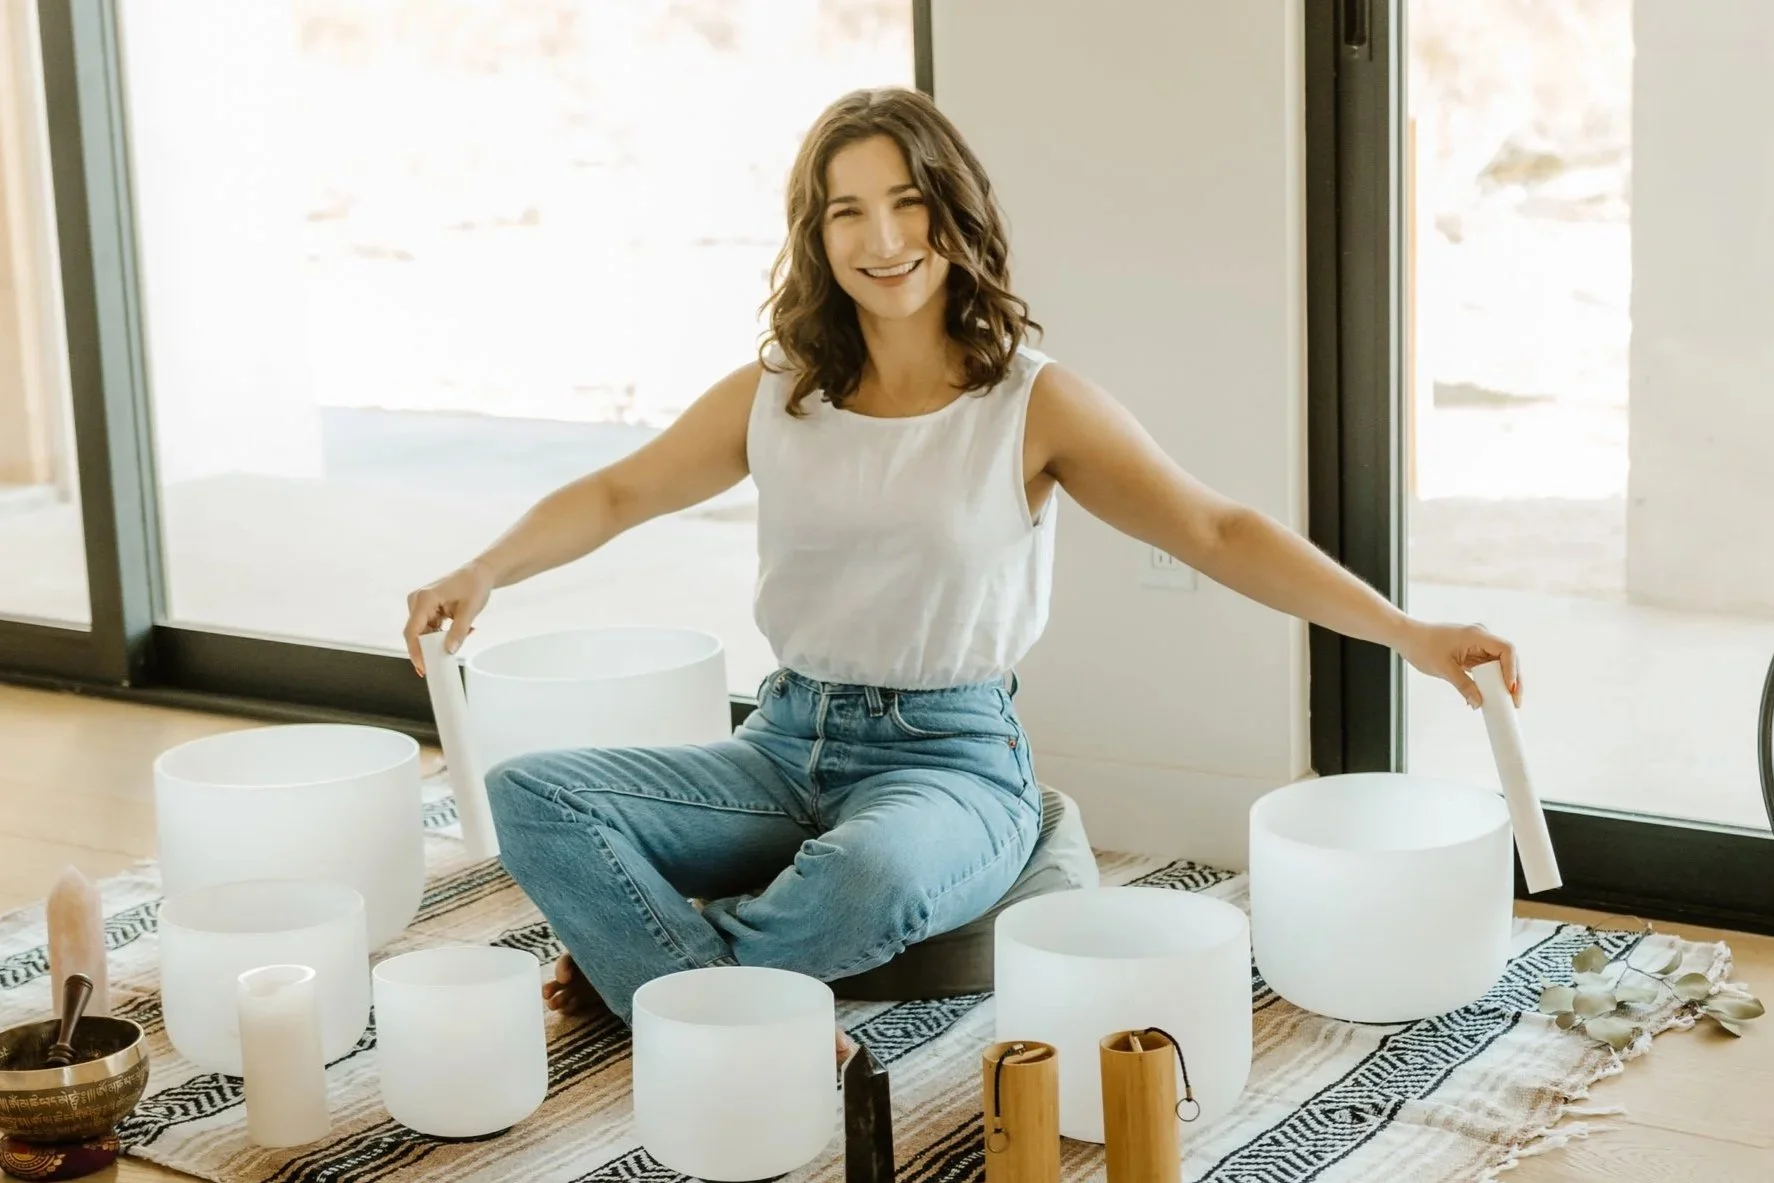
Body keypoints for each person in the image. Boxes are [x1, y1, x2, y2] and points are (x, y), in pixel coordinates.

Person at [402, 87, 1521, 1042]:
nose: (882, 237)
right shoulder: (778, 393)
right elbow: (617, 492)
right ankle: (706, 993)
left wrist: (1410, 635)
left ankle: (670, 988)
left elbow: (1216, 529)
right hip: (784, 742)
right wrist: (484, 568)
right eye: (847, 211)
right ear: (815, 235)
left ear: (953, 210)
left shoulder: (1031, 402)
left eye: (907, 202)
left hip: (952, 763)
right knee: (529, 796)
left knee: (870, 877)